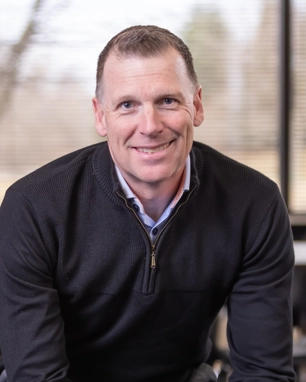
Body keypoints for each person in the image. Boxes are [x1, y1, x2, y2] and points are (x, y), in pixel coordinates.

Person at [0, 25, 295, 382]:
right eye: (127, 105)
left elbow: (263, 373)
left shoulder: (254, 203)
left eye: (167, 101)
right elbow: (36, 377)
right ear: (100, 116)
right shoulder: (32, 207)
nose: (150, 125)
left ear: (197, 106)